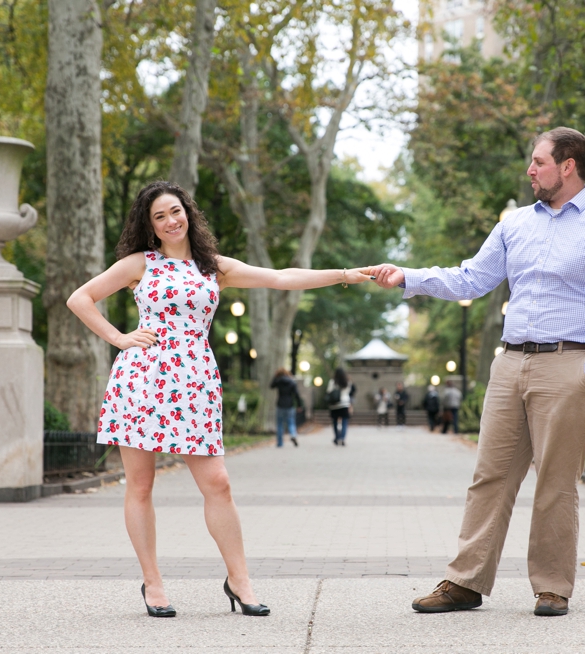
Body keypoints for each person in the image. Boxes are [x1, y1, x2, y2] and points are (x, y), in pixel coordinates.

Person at [67, 180, 373, 618]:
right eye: (159, 216)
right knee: (140, 484)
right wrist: (119, 337)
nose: (171, 221)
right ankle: (153, 584)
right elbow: (80, 298)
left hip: (194, 383)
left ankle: (240, 582)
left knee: (219, 483)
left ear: (188, 212)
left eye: (175, 211)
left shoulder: (214, 268)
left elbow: (281, 278)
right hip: (142, 380)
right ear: (149, 226)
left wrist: (345, 275)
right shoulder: (140, 263)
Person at [372, 127, 585, 617]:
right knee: (489, 476)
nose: (530, 170)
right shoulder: (515, 224)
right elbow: (472, 277)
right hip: (510, 362)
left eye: (538, 162)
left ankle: (552, 586)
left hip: (569, 364)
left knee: (555, 482)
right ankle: (466, 581)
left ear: (568, 166)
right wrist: (408, 277)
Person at [270, 368, 302, 447]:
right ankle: (293, 435)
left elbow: (271, 386)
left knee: (280, 424)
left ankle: (280, 443)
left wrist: (275, 377)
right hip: (290, 405)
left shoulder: (278, 381)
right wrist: (299, 405)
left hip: (280, 404)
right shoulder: (292, 382)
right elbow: (296, 394)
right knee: (291, 422)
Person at [327, 367, 355, 445]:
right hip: (344, 403)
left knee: (335, 422)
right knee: (344, 422)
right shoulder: (347, 382)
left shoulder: (332, 382)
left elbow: (329, 391)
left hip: (334, 404)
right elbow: (349, 392)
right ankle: (342, 438)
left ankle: (337, 437)